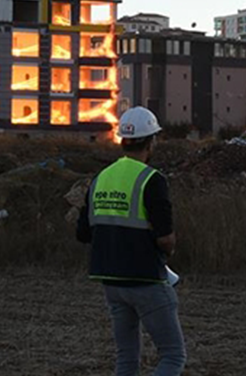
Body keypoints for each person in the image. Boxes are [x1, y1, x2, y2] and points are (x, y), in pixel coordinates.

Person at [77, 106, 186, 376]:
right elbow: (166, 239)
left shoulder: (100, 179)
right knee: (172, 356)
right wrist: (167, 249)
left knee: (126, 360)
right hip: (146, 279)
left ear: (122, 140)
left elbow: (83, 233)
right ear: (152, 141)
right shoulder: (152, 179)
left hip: (111, 281)